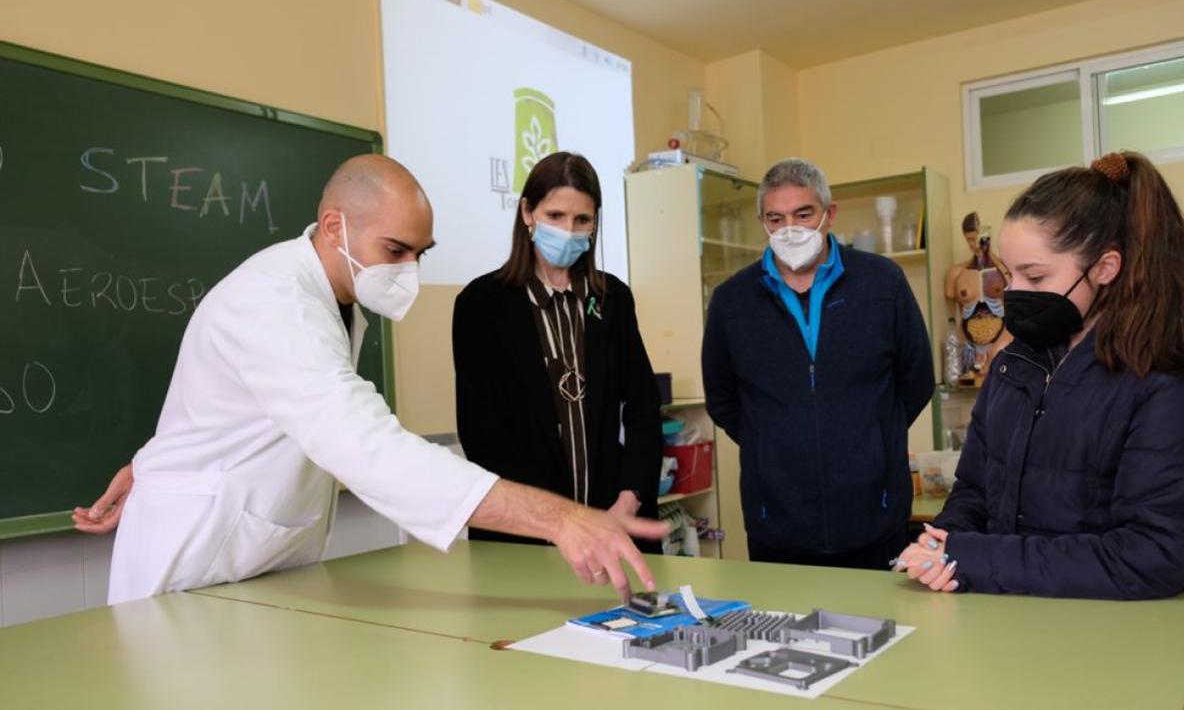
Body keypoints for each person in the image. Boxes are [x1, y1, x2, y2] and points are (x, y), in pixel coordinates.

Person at [73, 154, 666, 605]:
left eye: (420, 253)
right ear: (334, 227)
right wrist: (561, 517)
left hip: (258, 556)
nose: (408, 267)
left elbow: (233, 407)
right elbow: (366, 445)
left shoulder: (336, 295)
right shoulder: (276, 301)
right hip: (196, 561)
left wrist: (156, 460)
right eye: (395, 248)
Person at [896, 151, 1184, 599]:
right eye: (1010, 273)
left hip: (1117, 639)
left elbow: (1152, 556)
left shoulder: (1172, 381)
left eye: (1035, 277)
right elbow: (975, 491)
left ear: (1105, 268)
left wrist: (975, 558)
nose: (1015, 292)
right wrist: (943, 541)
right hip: (1008, 620)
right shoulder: (1016, 364)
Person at [702, 157, 935, 569]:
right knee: (784, 633)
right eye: (775, 218)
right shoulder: (732, 301)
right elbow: (723, 399)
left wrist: (873, 440)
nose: (789, 228)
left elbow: (916, 381)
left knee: (888, 631)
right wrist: (771, 443)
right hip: (776, 525)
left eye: (803, 214)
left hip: (875, 520)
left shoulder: (883, 283)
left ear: (829, 215)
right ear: (763, 222)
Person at [453, 152, 663, 548]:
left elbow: (643, 408)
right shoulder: (481, 303)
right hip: (525, 534)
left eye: (582, 220)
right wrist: (553, 521)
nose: (569, 230)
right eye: (555, 216)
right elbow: (481, 433)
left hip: (614, 524)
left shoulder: (613, 297)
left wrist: (629, 499)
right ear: (528, 213)